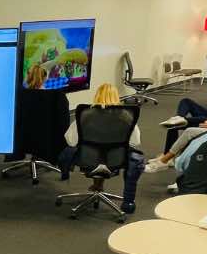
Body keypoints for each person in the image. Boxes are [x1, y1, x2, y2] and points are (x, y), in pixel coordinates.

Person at [57, 84, 144, 213]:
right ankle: (121, 197)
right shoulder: (126, 117)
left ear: (97, 96)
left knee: (93, 151)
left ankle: (97, 185)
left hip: (87, 159)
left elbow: (71, 140)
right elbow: (135, 142)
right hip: (116, 160)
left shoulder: (85, 115)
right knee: (125, 155)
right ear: (116, 97)